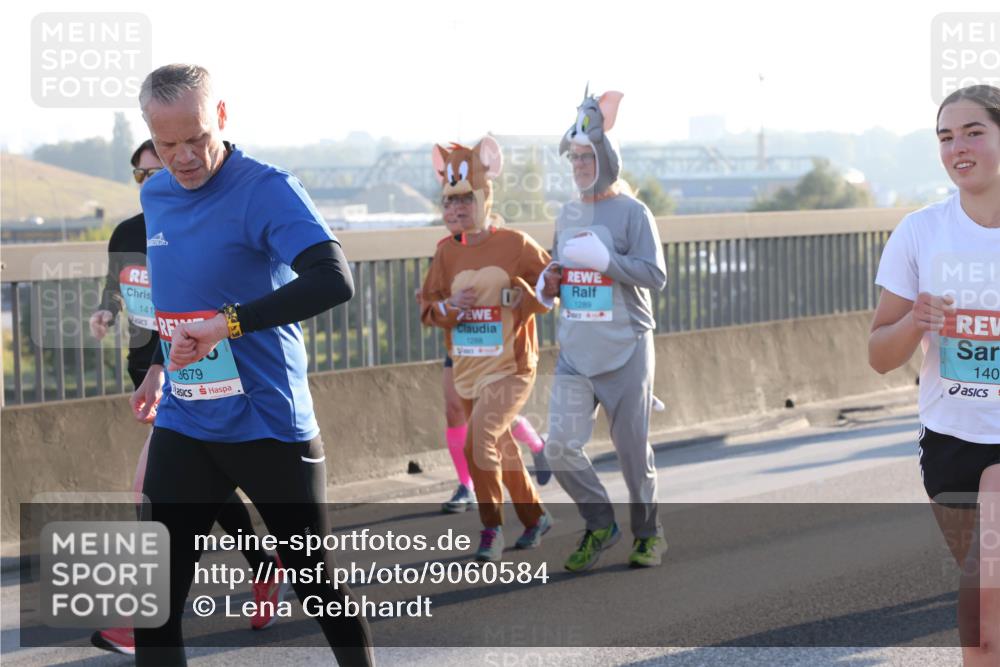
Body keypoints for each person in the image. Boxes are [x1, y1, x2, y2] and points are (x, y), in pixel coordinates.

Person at [129, 64, 373, 666]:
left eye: (196, 138)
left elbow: (334, 279)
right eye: (167, 144)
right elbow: (179, 293)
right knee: (153, 602)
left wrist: (227, 324)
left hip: (268, 424)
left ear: (221, 116)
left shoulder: (267, 189)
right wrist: (159, 363)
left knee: (318, 588)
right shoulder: (155, 194)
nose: (184, 158)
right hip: (187, 420)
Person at [87, 140, 285, 656]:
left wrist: (163, 367)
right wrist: (107, 310)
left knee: (148, 491)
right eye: (142, 175)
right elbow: (116, 284)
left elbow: (193, 303)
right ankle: (265, 564)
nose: (152, 182)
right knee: (208, 484)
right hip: (148, 372)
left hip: (187, 372)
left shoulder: (192, 228)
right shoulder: (127, 233)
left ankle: (140, 621)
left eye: (160, 171)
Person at [868, 84, 999, 667]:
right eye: (946, 137)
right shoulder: (921, 231)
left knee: (983, 605)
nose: (957, 147)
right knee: (986, 615)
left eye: (974, 132)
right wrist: (915, 321)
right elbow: (879, 354)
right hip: (950, 441)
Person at [537, 88, 667, 571]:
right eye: (574, 157)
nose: (579, 165)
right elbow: (564, 272)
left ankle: (649, 534)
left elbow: (655, 275)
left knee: (631, 453)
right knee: (558, 447)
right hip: (576, 350)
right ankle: (600, 523)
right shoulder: (567, 214)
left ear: (607, 158)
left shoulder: (634, 213)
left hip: (626, 347)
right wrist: (549, 283)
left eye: (587, 156)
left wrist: (608, 261)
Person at [421, 136, 552, 561]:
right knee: (501, 446)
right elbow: (428, 308)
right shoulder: (445, 253)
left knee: (477, 443)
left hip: (512, 366)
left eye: (465, 199)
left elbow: (551, 285)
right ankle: (535, 518)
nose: (456, 209)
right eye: (449, 201)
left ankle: (491, 527)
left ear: (484, 196)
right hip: (468, 369)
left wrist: (524, 296)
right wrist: (449, 307)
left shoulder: (516, 244)